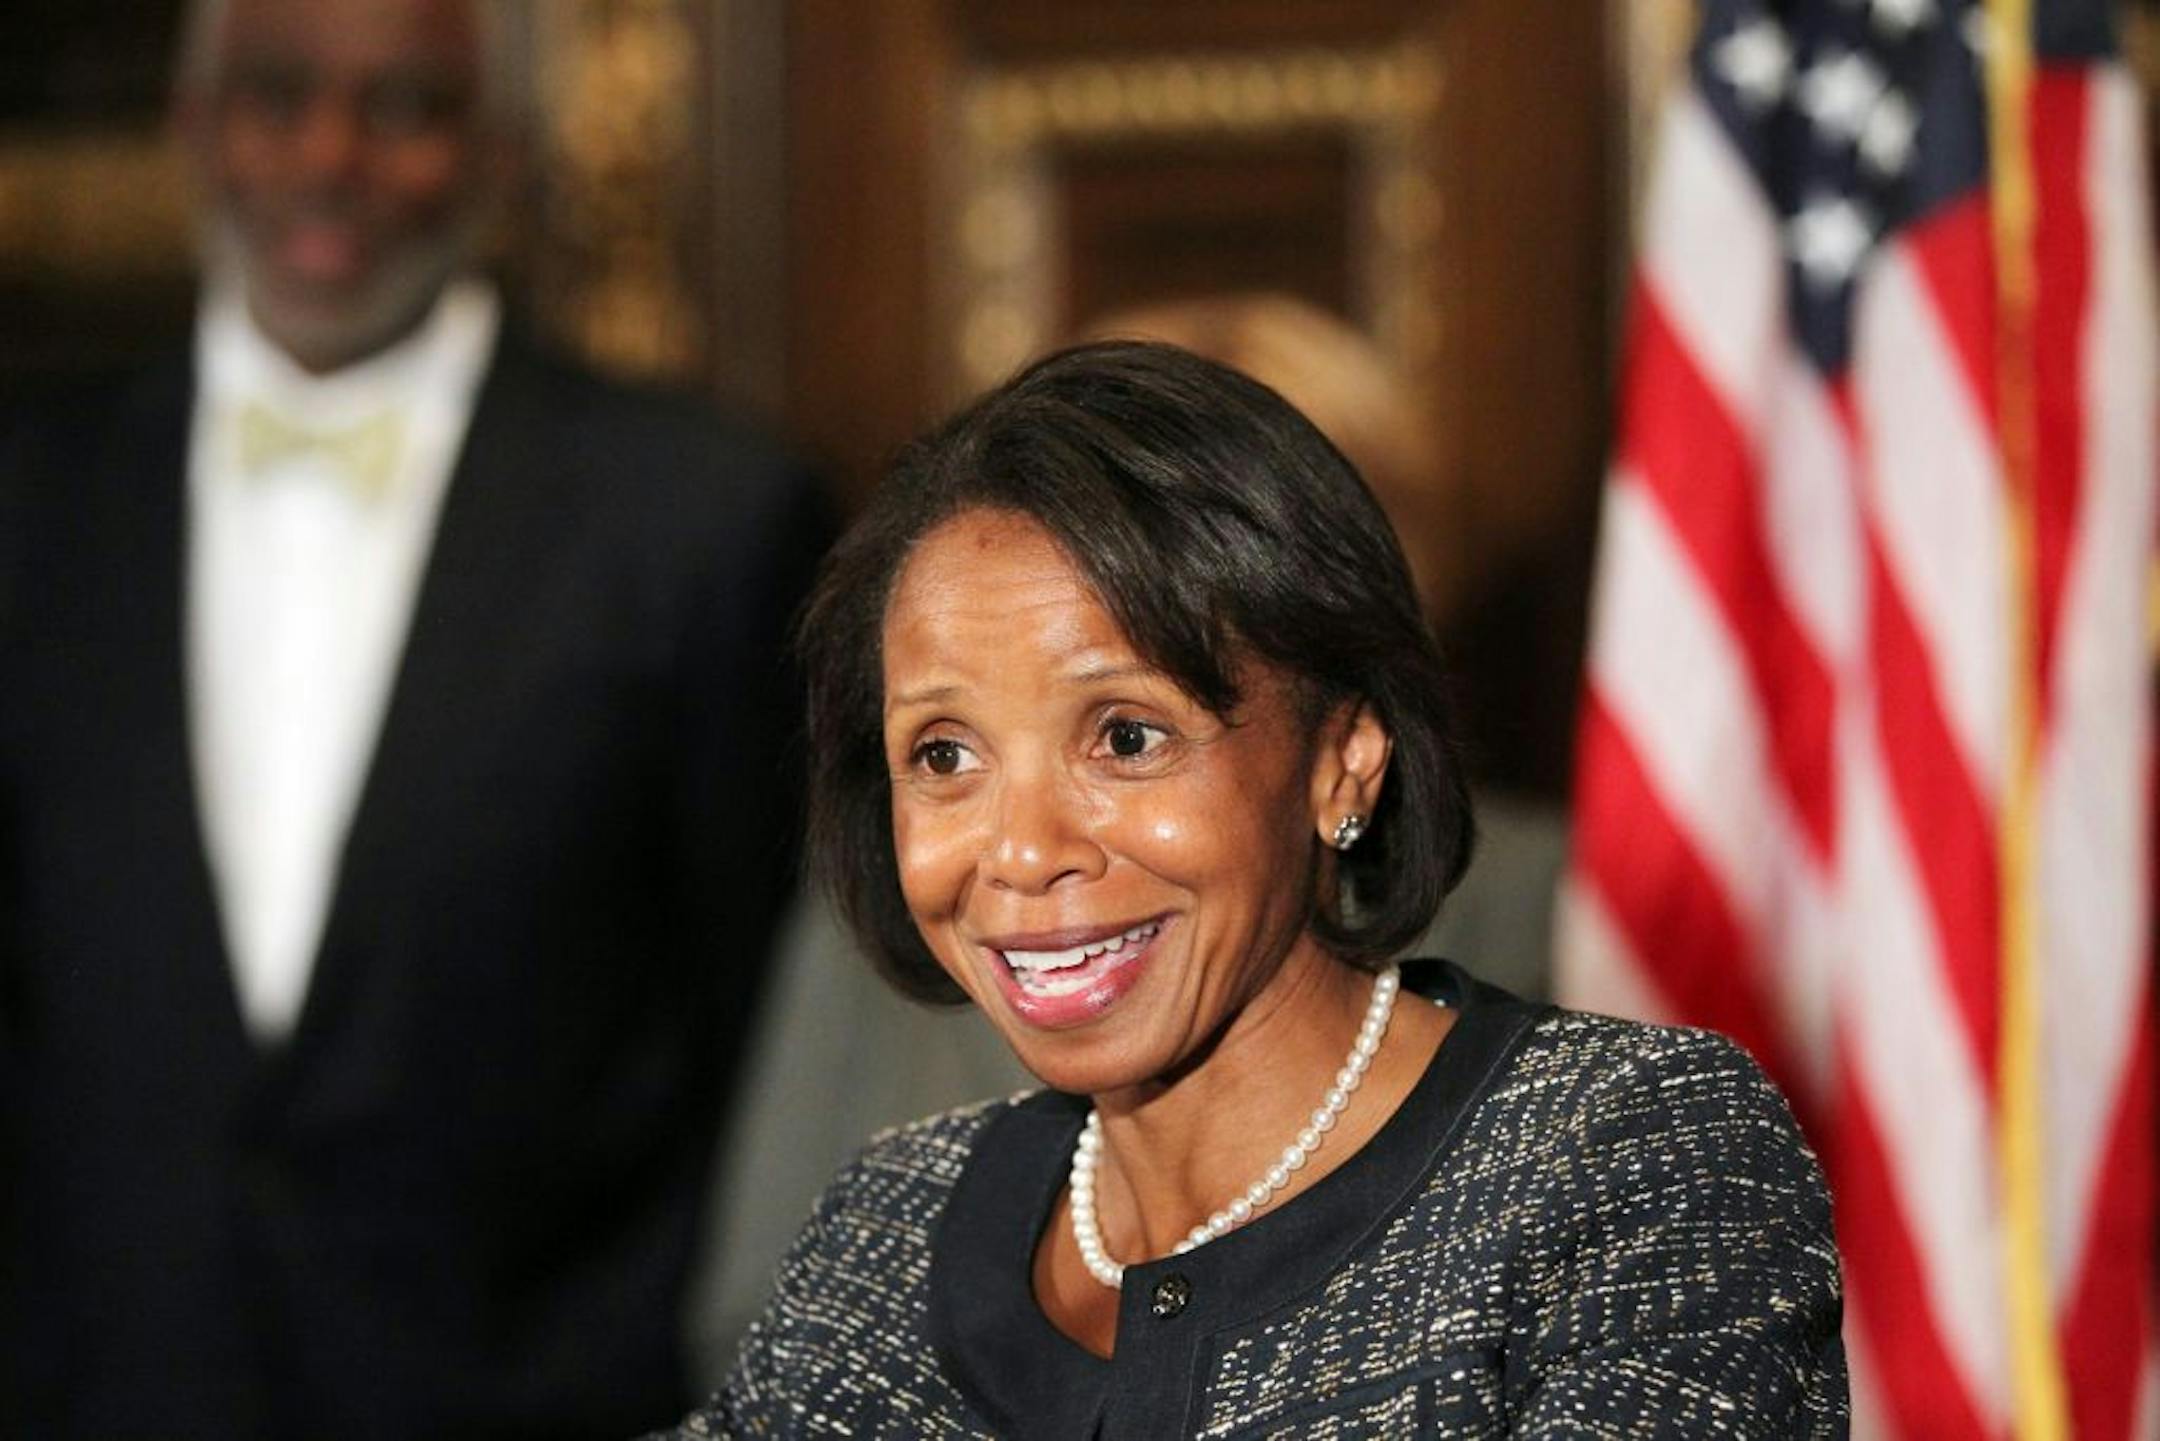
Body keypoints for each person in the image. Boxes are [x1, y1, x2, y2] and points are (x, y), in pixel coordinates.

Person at [658, 342, 1845, 1437]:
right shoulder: (891, 1231)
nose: (1019, 852)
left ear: (1345, 757)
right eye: (945, 756)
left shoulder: (1621, 1157)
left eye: (1126, 737)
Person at [0, 1, 825, 1436]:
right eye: (274, 97)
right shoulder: (24, 505)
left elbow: (762, 1021)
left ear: (500, 154)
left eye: (401, 110)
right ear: (194, 130)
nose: (329, 158)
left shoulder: (703, 521)